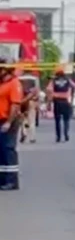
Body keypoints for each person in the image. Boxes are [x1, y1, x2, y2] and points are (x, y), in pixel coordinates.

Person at [0, 58, 23, 190]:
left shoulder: (14, 84)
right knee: (1, 151)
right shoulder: (2, 83)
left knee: (8, 149)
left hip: (9, 121)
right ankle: (2, 179)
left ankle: (12, 180)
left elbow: (15, 105)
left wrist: (8, 122)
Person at [46, 66, 75, 143]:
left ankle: (58, 137)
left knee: (57, 120)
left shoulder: (53, 81)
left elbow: (49, 90)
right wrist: (70, 94)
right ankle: (66, 134)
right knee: (66, 120)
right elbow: (74, 86)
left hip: (57, 102)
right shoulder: (68, 80)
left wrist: (49, 102)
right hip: (65, 101)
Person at [19, 76, 39, 144]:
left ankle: (24, 133)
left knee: (24, 120)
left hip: (23, 103)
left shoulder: (20, 83)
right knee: (32, 121)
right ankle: (32, 137)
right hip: (32, 102)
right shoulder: (34, 83)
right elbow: (37, 95)